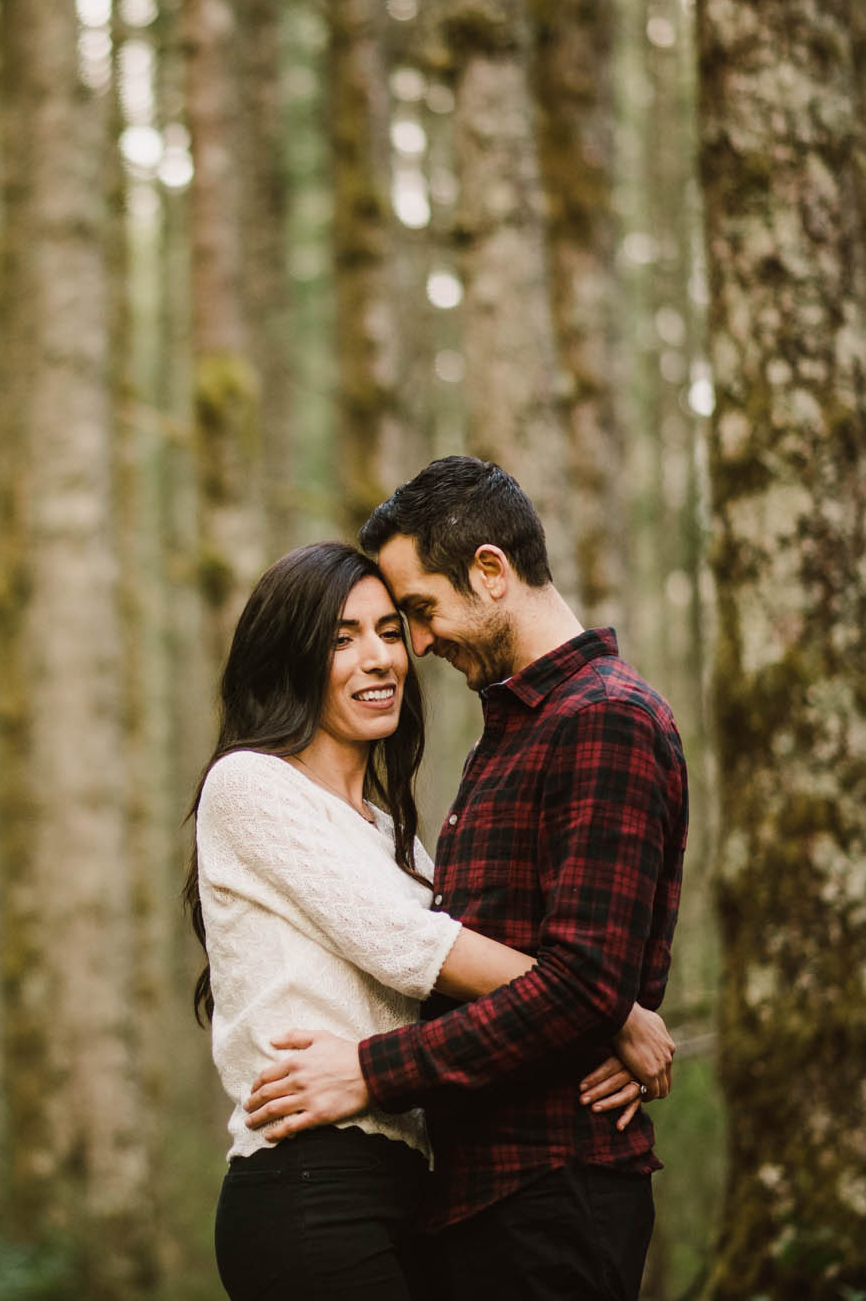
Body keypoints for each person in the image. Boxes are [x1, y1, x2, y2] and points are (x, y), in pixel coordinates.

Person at [243, 459, 688, 1301]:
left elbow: (585, 984)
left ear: (490, 572)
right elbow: (581, 988)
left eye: (418, 610)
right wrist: (613, 1012)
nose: (417, 642)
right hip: (482, 1195)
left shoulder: (605, 719)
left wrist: (371, 1072)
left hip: (553, 1187)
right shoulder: (517, 732)